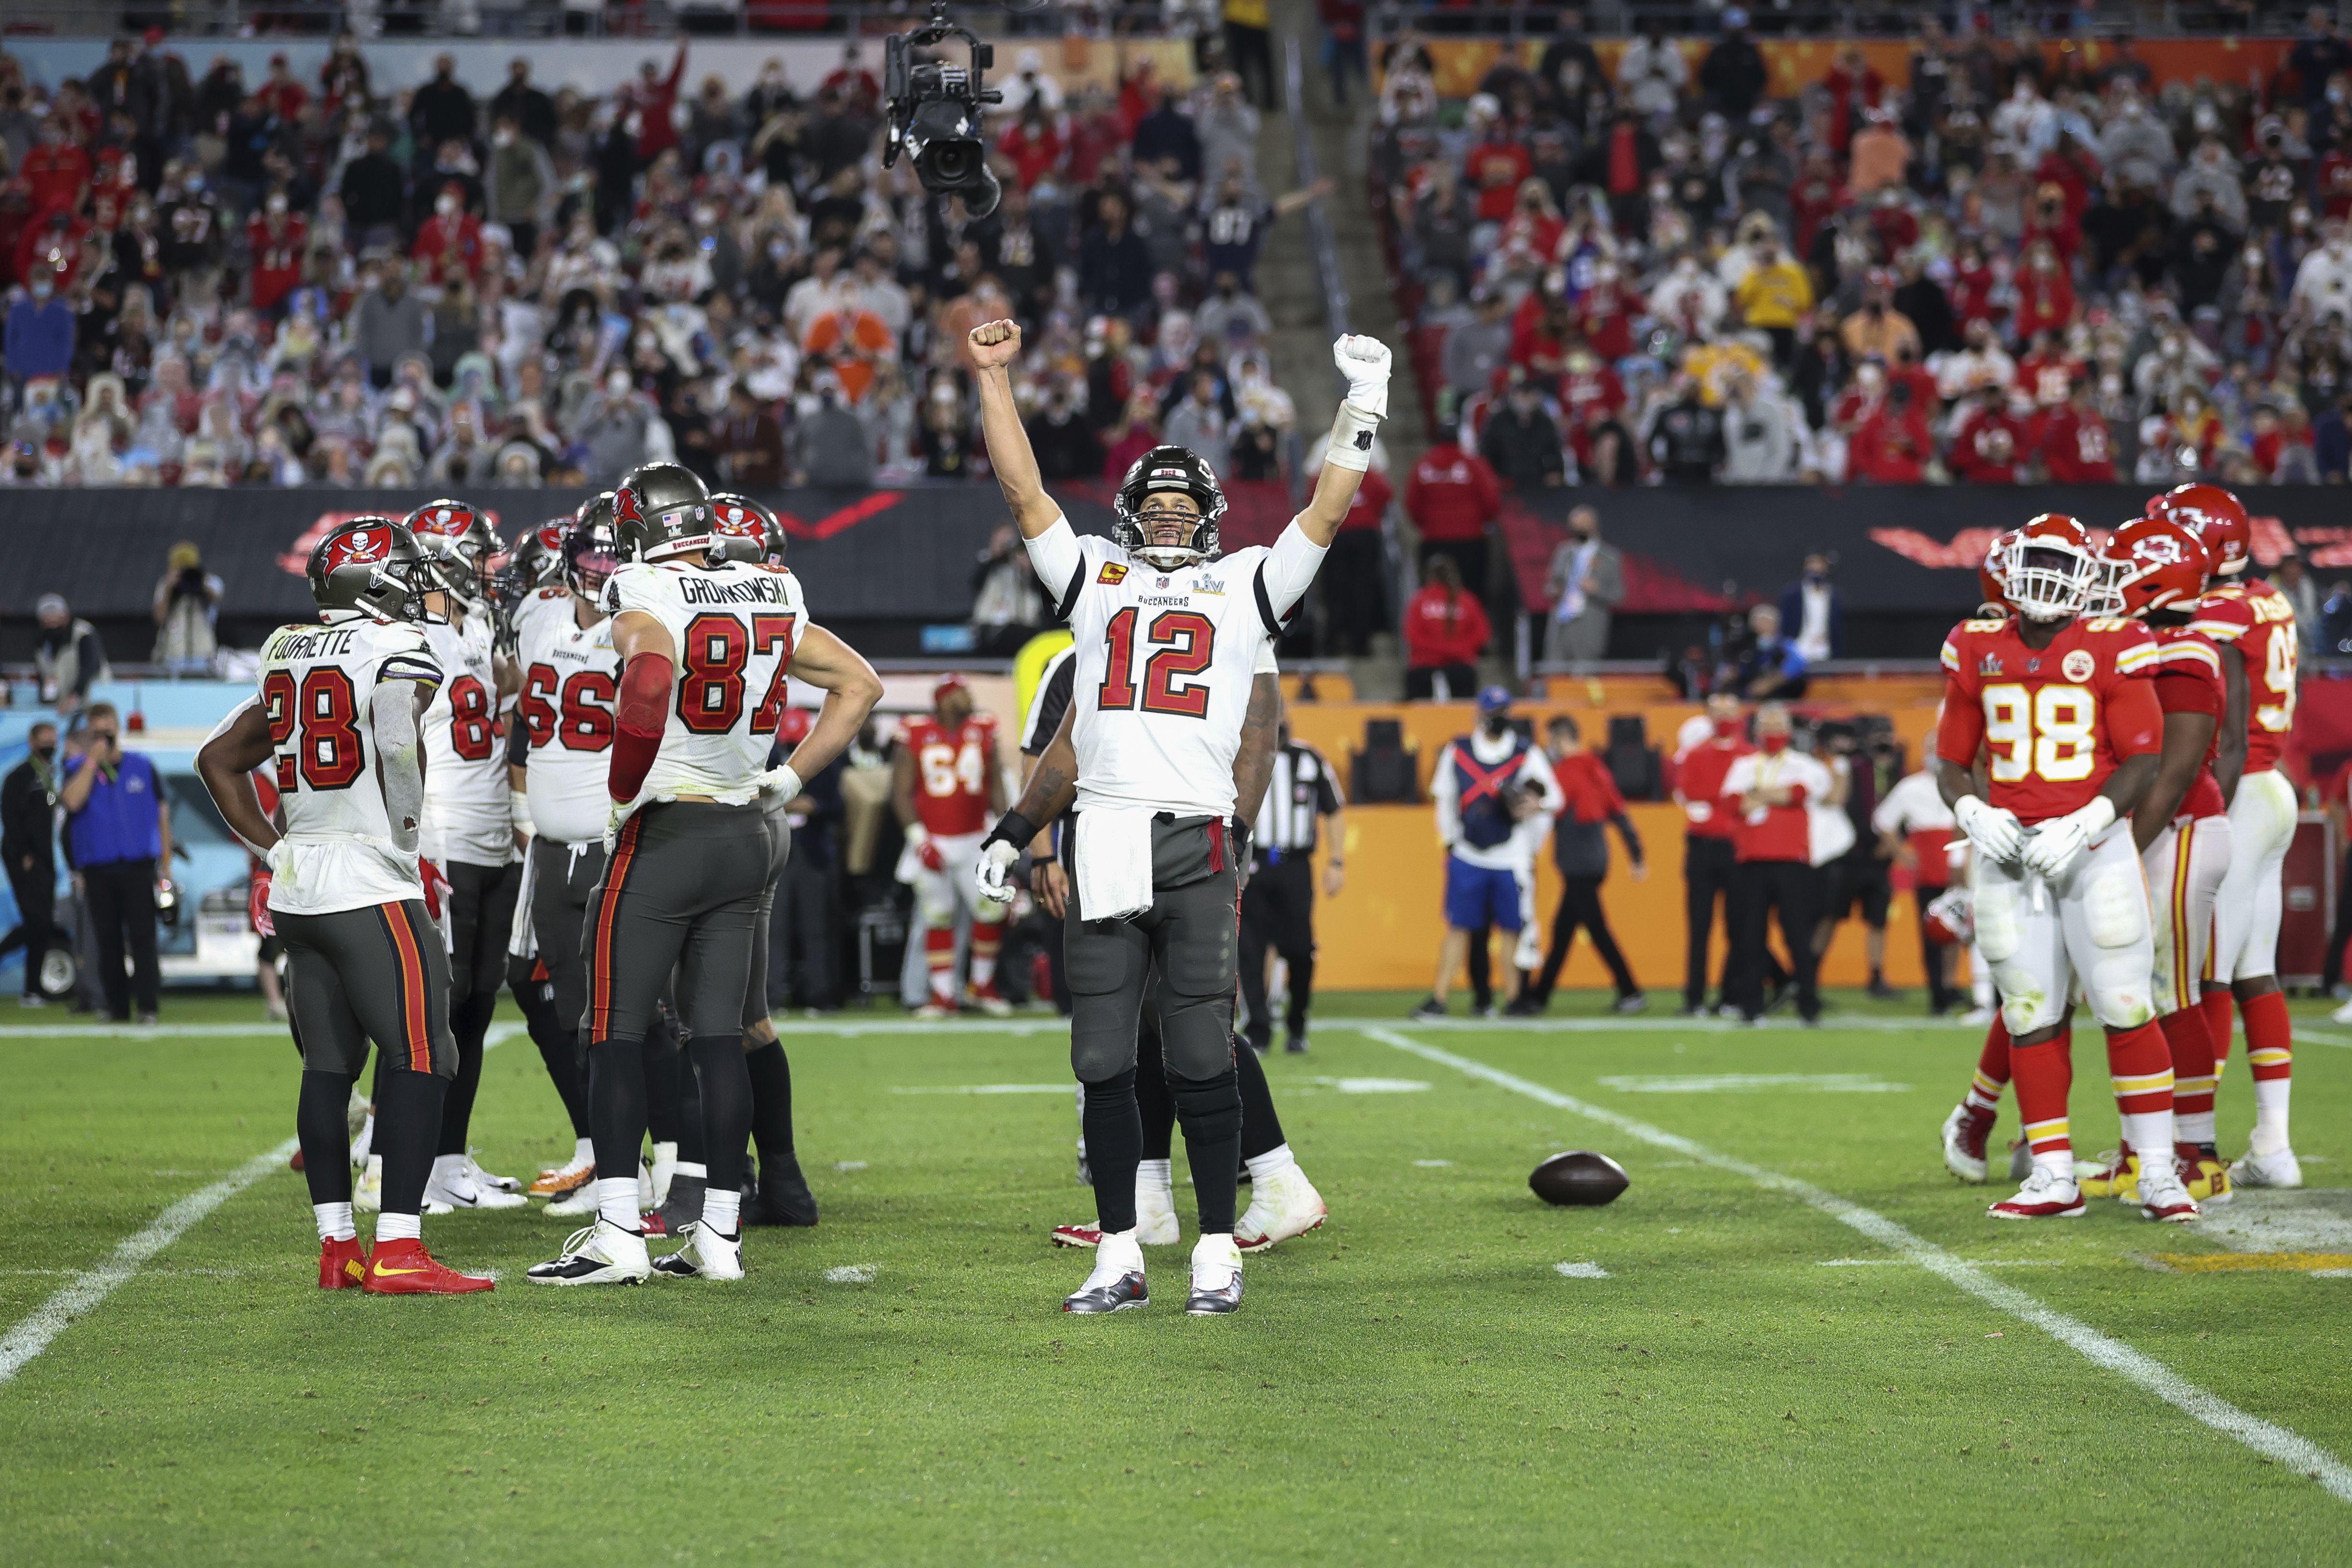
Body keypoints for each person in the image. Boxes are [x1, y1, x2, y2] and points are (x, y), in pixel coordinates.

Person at [963, 314, 1390, 1315]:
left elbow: (1325, 513)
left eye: (1179, 502)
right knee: (1102, 1058)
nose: (1163, 515)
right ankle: (1120, 1253)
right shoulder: (1093, 579)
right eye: (1150, 502)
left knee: (1200, 1053)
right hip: (1104, 832)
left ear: (1206, 513)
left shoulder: (1245, 581)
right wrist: (992, 380)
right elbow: (1023, 490)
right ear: (1126, 513)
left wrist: (1361, 406)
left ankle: (1214, 1252)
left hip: (1195, 837)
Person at [527, 461, 881, 1288]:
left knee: (613, 1033)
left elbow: (649, 677)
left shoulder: (646, 587)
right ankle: (719, 1235)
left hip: (672, 824)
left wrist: (621, 792)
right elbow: (859, 686)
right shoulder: (767, 586)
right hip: (747, 825)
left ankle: (619, 1234)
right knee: (718, 1036)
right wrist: (790, 780)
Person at [195, 517, 491, 1294]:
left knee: (328, 1067)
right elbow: (395, 731)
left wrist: (270, 847)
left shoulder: (287, 647)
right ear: (378, 581)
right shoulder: (394, 648)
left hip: (300, 882)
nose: (417, 584)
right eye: (405, 571)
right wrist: (406, 833)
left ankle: (338, 1249)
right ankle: (398, 1247)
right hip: (369, 877)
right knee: (428, 1053)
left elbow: (216, 760)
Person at [1013, 647, 1330, 1255]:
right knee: (1151, 1024)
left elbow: (1046, 757)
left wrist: (1043, 850)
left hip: (1171, 858)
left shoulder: (1159, 638)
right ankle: (1153, 1198)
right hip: (1142, 856)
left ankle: (1274, 1173)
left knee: (1188, 1017)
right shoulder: (1111, 641)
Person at [1934, 513, 2194, 1223]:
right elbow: (1951, 761)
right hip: (2008, 847)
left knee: (2123, 1000)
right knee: (2026, 1008)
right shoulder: (1975, 643)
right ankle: (2052, 1175)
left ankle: (2159, 1172)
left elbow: (2143, 755)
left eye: (2061, 560)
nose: (2048, 575)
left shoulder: (2115, 643)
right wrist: (1974, 814)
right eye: (2037, 559)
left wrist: (2088, 820)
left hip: (2092, 845)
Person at [2069, 515, 2234, 1207]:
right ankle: (2147, 1149)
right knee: (2147, 990)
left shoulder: (2188, 649)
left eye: (2122, 569)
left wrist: (2122, 850)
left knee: (2172, 991)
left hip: (2181, 828)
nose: (2109, 583)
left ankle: (2196, 1156)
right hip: (2162, 829)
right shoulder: (2154, 641)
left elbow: (2176, 767)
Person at [2171, 486, 2303, 1190]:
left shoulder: (2218, 608)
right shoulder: (2268, 599)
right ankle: (2273, 1145)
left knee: (2208, 975)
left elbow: (2215, 696)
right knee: (2255, 970)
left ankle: (2192, 1150)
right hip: (2273, 786)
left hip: (2240, 787)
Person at [403, 501, 527, 1213]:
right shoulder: (413, 635)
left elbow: (501, 692)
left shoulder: (477, 624)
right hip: (443, 836)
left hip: (489, 834)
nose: (490, 570)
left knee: (477, 1005)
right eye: (479, 558)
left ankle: (448, 1159)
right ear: (444, 560)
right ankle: (392, 1160)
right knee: (433, 1009)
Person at [507, 501, 624, 1205]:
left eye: (614, 558)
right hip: (552, 845)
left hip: (611, 841)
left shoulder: (641, 626)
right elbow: (526, 725)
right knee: (578, 1011)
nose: (600, 573)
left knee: (641, 1016)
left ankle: (676, 1168)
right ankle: (616, 1163)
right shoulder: (540, 619)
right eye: (592, 558)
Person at [1415, 686, 1562, 1019]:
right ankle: (1439, 997)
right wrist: (1451, 841)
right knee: (1458, 927)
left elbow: (1554, 798)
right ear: (1478, 714)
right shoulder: (1459, 750)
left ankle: (1512, 997)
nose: (1496, 720)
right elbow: (1445, 799)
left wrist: (1533, 805)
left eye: (1502, 713)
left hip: (1509, 854)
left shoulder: (1526, 754)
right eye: (1491, 713)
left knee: (1512, 928)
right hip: (1468, 852)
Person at [893, 673, 1011, 1018]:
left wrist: (1005, 832)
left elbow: (995, 785)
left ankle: (981, 986)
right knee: (938, 917)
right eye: (961, 692)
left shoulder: (984, 727)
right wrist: (918, 840)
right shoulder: (914, 731)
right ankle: (943, 996)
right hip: (935, 838)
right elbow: (900, 791)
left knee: (992, 911)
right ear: (943, 699)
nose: (968, 697)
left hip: (976, 836)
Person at [1514, 714, 1643, 1015]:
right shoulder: (1596, 767)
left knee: (1595, 930)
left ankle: (1631, 990)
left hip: (1579, 863)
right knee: (1564, 931)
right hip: (1592, 860)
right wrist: (1636, 855)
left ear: (1560, 739)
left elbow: (1551, 805)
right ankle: (1539, 996)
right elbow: (1619, 813)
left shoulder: (1566, 771)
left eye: (1551, 741)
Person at [59, 702, 168, 1025]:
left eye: (107, 727)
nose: (103, 733)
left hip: (138, 866)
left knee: (143, 939)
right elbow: (73, 800)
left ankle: (148, 1006)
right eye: (97, 729)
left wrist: (167, 864)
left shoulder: (142, 766)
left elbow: (162, 816)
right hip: (99, 868)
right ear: (89, 733)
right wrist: (92, 761)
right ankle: (117, 1008)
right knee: (107, 942)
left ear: (117, 727)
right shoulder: (77, 767)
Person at [1239, 717, 1344, 1054]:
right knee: (1250, 950)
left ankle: (1296, 1022)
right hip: (1252, 865)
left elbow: (1334, 809)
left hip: (1294, 865)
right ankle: (1258, 1030)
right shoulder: (1238, 758)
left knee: (1300, 949)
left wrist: (1337, 860)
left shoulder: (1309, 759)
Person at [1718, 704, 1825, 1026]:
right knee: (1751, 937)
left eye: (1777, 725)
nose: (1771, 732)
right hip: (1751, 860)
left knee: (1796, 935)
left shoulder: (1801, 764)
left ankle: (1808, 1004)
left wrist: (1758, 794)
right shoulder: (1744, 764)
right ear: (1755, 731)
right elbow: (1732, 802)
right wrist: (1775, 795)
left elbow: (1800, 792)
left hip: (1791, 861)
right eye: (1766, 726)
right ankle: (1751, 1006)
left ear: (1789, 731)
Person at [1673, 690, 1756, 1017]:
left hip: (1737, 848)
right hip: (1703, 847)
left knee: (1737, 925)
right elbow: (1693, 795)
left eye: (1730, 711)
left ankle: (1729, 995)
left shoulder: (1750, 756)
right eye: (1718, 712)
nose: (1725, 718)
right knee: (1699, 926)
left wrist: (1723, 804)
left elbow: (1731, 800)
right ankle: (1694, 998)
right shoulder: (1694, 755)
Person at [1873, 752, 1959, 1017]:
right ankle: (1938, 993)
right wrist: (1900, 851)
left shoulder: (1964, 781)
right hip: (1929, 868)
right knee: (1933, 932)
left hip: (1963, 864)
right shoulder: (1910, 787)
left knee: (1963, 931)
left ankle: (1954, 986)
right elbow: (1882, 820)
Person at [0, 722, 60, 1004]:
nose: (51, 744)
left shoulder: (50, 775)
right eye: (46, 739)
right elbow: (9, 815)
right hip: (24, 858)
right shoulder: (20, 776)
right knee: (37, 921)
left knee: (43, 924)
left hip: (46, 857)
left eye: (53, 738)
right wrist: (22, 851)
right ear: (32, 743)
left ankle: (32, 990)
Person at [1402, 554, 1489, 700]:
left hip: (1424, 665)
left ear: (1430, 575)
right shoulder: (1468, 600)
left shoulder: (1419, 601)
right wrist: (1457, 650)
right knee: (1465, 706)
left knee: (1417, 705)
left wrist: (1436, 652)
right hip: (1461, 665)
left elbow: (1412, 635)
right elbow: (1482, 635)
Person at [1546, 505, 1623, 670]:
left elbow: (1618, 595)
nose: (1578, 529)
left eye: (1583, 525)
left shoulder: (1609, 557)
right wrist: (1555, 590)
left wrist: (1597, 590)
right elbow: (1551, 585)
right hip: (1561, 625)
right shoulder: (1564, 552)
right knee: (1555, 678)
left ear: (1594, 526)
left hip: (1589, 628)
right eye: (1575, 526)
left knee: (1585, 680)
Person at [152, 542, 223, 675]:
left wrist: (199, 580)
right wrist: (169, 588)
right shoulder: (165, 585)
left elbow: (217, 595)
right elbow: (159, 618)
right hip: (173, 655)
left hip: (203, 655)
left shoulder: (209, 582)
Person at [34, 594, 107, 714]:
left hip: (94, 701)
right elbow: (45, 673)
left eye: (56, 620)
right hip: (63, 705)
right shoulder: (43, 642)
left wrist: (75, 696)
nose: (52, 626)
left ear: (65, 617)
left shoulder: (83, 633)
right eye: (48, 622)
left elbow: (90, 667)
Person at [1778, 552, 1842, 664]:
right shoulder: (1792, 593)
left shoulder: (1834, 595)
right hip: (1798, 647)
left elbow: (1837, 625)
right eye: (1812, 563)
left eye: (1820, 564)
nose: (1816, 568)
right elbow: (1785, 621)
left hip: (1824, 649)